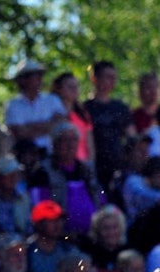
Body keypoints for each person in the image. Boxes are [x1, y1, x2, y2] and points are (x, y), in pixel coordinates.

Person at [84, 60, 133, 194]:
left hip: (118, 166)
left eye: (114, 77)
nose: (112, 81)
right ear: (95, 79)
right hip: (94, 167)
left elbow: (131, 136)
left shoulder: (121, 108)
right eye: (108, 77)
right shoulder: (85, 108)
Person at [4, 60, 67, 154]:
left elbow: (60, 124)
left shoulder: (52, 100)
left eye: (40, 75)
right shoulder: (13, 105)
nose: (40, 78)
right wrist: (48, 125)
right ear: (23, 80)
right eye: (36, 75)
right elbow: (19, 133)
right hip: (24, 157)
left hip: (51, 155)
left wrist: (29, 127)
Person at [51, 72, 95, 164]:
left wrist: (90, 162)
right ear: (59, 89)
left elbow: (89, 143)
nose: (74, 89)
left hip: (82, 163)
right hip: (61, 164)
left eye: (76, 86)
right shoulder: (51, 113)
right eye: (70, 86)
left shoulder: (83, 114)